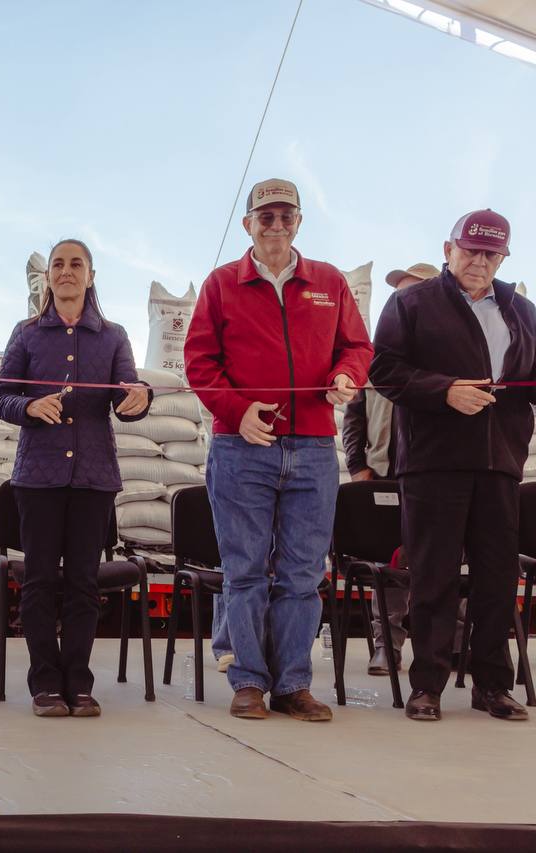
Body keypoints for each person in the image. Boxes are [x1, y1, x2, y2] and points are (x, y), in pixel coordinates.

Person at [184, 178, 372, 722]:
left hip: (313, 447)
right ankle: (248, 681)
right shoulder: (222, 284)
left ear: (299, 222)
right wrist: (237, 411)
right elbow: (199, 361)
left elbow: (357, 346)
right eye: (265, 216)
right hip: (242, 447)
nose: (276, 225)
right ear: (248, 225)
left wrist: (346, 374)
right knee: (244, 570)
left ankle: (293, 684)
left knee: (303, 574)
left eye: (286, 215)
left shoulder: (329, 282)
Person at [371, 209, 535, 722]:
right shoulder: (411, 303)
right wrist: (444, 391)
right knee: (434, 575)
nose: (479, 262)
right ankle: (428, 686)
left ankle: (492, 686)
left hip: (500, 461)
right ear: (449, 250)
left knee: (497, 576)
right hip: (434, 461)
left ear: (503, 258)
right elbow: (384, 370)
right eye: (470, 251)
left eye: (491, 254)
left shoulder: (521, 309)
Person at [0, 239, 151, 717]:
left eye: (75, 264)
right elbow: (2, 398)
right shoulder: (26, 334)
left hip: (93, 477)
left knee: (84, 583)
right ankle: (45, 684)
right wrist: (29, 407)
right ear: (47, 277)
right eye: (58, 264)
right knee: (39, 581)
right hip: (37, 477)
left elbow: (127, 396)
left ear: (90, 276)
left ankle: (79, 685)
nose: (66, 271)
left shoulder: (113, 336)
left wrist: (139, 398)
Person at [341, 262, 436, 676]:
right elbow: (354, 417)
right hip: (384, 477)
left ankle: (453, 646)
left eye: (412, 292)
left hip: (435, 477)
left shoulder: (447, 353)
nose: (404, 300)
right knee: (391, 564)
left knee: (445, 561)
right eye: (400, 293)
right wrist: (358, 467)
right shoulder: (377, 356)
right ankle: (386, 645)